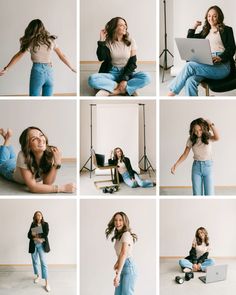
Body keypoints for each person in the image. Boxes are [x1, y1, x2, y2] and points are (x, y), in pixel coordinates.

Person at [168, 6, 236, 96]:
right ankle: (192, 105)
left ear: (219, 17)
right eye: (209, 16)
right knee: (190, 80)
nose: (211, 18)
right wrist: (194, 26)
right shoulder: (205, 31)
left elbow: (232, 49)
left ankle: (171, 94)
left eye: (214, 16)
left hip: (222, 66)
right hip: (207, 62)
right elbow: (190, 40)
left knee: (189, 66)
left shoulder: (227, 30)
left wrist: (220, 57)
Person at [0, 19, 76, 96]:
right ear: (43, 28)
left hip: (37, 71)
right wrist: (72, 67)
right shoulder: (50, 40)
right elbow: (62, 56)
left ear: (30, 29)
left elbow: (18, 56)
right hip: (49, 72)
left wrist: (6, 69)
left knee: (34, 98)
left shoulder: (31, 42)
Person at [0, 127, 76, 193]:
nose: (40, 140)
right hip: (9, 170)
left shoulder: (50, 153)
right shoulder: (23, 155)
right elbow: (33, 187)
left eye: (41, 135)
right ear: (28, 145)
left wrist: (57, 163)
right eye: (34, 139)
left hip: (17, 165)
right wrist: (62, 188)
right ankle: (7, 140)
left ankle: (7, 140)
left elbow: (47, 183)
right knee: (3, 162)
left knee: (13, 158)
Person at [88, 17, 151, 96]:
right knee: (92, 79)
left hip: (127, 72)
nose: (125, 27)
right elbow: (101, 58)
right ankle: (126, 89)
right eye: (121, 25)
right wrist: (101, 41)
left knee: (147, 77)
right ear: (114, 28)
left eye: (125, 24)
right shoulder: (107, 42)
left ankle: (114, 90)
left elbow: (132, 63)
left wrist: (124, 79)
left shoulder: (131, 41)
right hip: (111, 73)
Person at [171, 118, 219, 195]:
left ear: (203, 128)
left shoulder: (208, 136)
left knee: (209, 195)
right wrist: (176, 165)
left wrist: (211, 125)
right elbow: (185, 154)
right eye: (195, 131)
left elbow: (217, 138)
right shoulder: (191, 139)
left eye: (200, 130)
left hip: (208, 167)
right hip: (196, 168)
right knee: (197, 194)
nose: (198, 132)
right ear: (192, 130)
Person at [105, 212, 138, 295]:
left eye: (120, 220)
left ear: (124, 222)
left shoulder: (126, 234)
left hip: (128, 267)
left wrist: (118, 274)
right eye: (115, 220)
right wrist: (117, 264)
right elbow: (120, 254)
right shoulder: (119, 235)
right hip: (122, 266)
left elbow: (124, 253)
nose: (117, 222)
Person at [28, 211, 51, 292]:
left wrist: (35, 234)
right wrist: (36, 238)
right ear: (35, 216)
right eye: (37, 214)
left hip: (42, 246)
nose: (39, 216)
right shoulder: (32, 224)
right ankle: (38, 276)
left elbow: (46, 234)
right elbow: (29, 235)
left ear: (42, 216)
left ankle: (47, 283)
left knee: (43, 263)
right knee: (35, 262)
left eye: (40, 214)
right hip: (34, 245)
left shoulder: (45, 224)